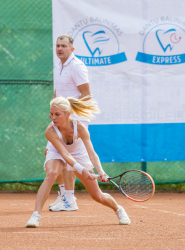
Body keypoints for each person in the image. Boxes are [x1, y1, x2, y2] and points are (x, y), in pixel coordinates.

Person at [26, 96, 131, 228]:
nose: (53, 118)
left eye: (57, 114)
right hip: (57, 152)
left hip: (79, 154)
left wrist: (101, 171)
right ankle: (36, 215)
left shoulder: (80, 128)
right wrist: (82, 170)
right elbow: (65, 154)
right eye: (51, 114)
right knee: (51, 173)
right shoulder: (50, 131)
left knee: (98, 196)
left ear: (67, 114)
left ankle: (118, 209)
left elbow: (91, 153)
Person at [47, 34, 91, 212]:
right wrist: (53, 112)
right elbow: (57, 93)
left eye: (63, 46)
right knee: (52, 154)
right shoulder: (60, 66)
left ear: (71, 49)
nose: (60, 48)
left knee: (67, 158)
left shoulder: (77, 66)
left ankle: (69, 198)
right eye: (58, 45)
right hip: (61, 117)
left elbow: (86, 94)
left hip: (75, 119)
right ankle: (65, 196)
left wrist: (69, 116)